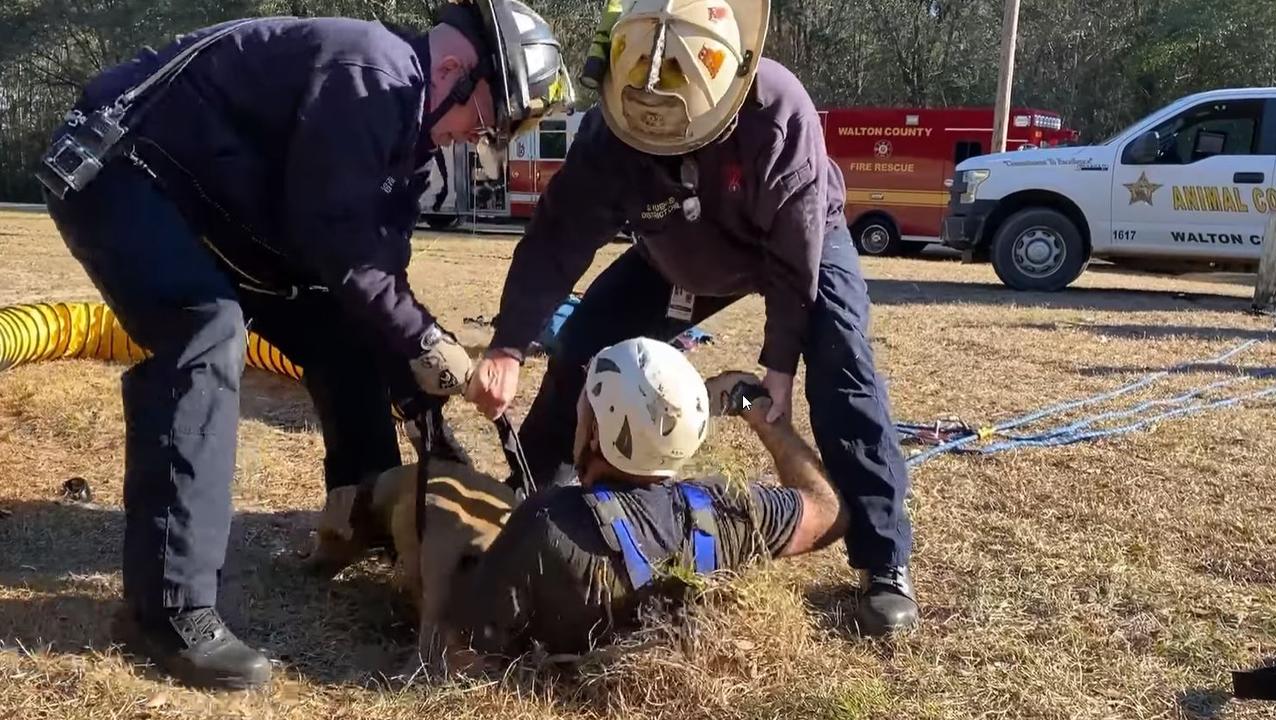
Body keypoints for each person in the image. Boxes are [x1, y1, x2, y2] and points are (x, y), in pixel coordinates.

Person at [38, 0, 572, 690]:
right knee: (203, 330)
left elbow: (374, 285)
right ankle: (164, 611)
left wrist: (425, 406)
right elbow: (335, 241)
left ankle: (365, 510)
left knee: (340, 321)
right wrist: (432, 342)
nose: (473, 139)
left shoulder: (409, 131)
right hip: (119, 167)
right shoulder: (370, 71)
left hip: (198, 197)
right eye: (482, 121)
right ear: (452, 70)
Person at [466, 0, 919, 636]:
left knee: (846, 368)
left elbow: (796, 253)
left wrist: (780, 363)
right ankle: (541, 496)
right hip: (675, 249)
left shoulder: (776, 111)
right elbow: (555, 240)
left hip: (794, 245)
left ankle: (883, 561)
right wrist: (509, 344)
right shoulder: (607, 135)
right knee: (583, 342)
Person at [434, 338, 847, 672]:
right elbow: (830, 513)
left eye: (586, 406)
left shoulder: (545, 525)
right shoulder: (729, 513)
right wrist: (753, 408)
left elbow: (464, 653)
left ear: (596, 431)